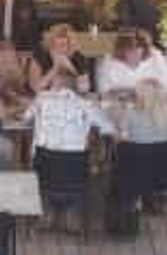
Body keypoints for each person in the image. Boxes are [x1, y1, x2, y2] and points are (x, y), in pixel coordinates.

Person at [29, 68, 115, 231]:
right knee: (92, 163)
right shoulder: (86, 105)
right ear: (74, 87)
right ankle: (71, 214)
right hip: (74, 169)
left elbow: (25, 117)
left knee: (44, 164)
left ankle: (47, 213)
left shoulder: (41, 99)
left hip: (44, 166)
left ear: (55, 85)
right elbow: (108, 128)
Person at [110, 81, 167, 220]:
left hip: (133, 175)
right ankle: (149, 199)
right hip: (162, 178)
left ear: (141, 97)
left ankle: (131, 200)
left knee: (122, 151)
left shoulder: (131, 114)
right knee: (151, 156)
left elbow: (120, 140)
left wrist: (116, 128)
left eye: (136, 94)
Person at [97, 30, 167, 97]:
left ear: (144, 50)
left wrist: (155, 84)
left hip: (149, 107)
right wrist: (133, 92)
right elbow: (103, 89)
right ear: (121, 50)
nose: (134, 53)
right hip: (118, 107)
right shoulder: (110, 62)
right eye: (129, 50)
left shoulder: (155, 58)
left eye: (138, 49)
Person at [29, 23, 95, 96]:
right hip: (46, 99)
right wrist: (56, 67)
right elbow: (36, 88)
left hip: (71, 99)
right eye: (59, 37)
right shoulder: (41, 55)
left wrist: (71, 68)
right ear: (52, 41)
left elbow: (84, 89)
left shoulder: (77, 57)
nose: (63, 40)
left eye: (67, 38)